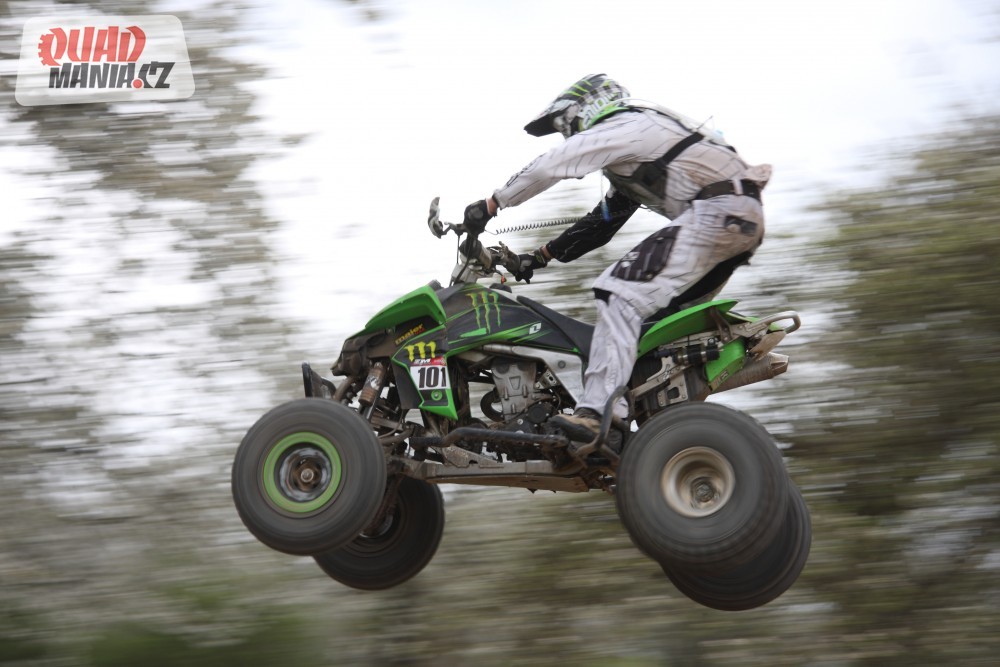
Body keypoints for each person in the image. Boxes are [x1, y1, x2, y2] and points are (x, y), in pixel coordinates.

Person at [463, 73, 771, 441]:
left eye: (564, 126)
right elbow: (603, 223)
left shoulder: (625, 124)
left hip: (719, 212)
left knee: (618, 292)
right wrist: (539, 257)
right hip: (737, 219)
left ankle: (599, 414)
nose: (567, 136)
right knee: (649, 332)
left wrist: (491, 204)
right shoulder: (639, 142)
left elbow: (550, 166)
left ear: (584, 108)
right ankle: (652, 436)